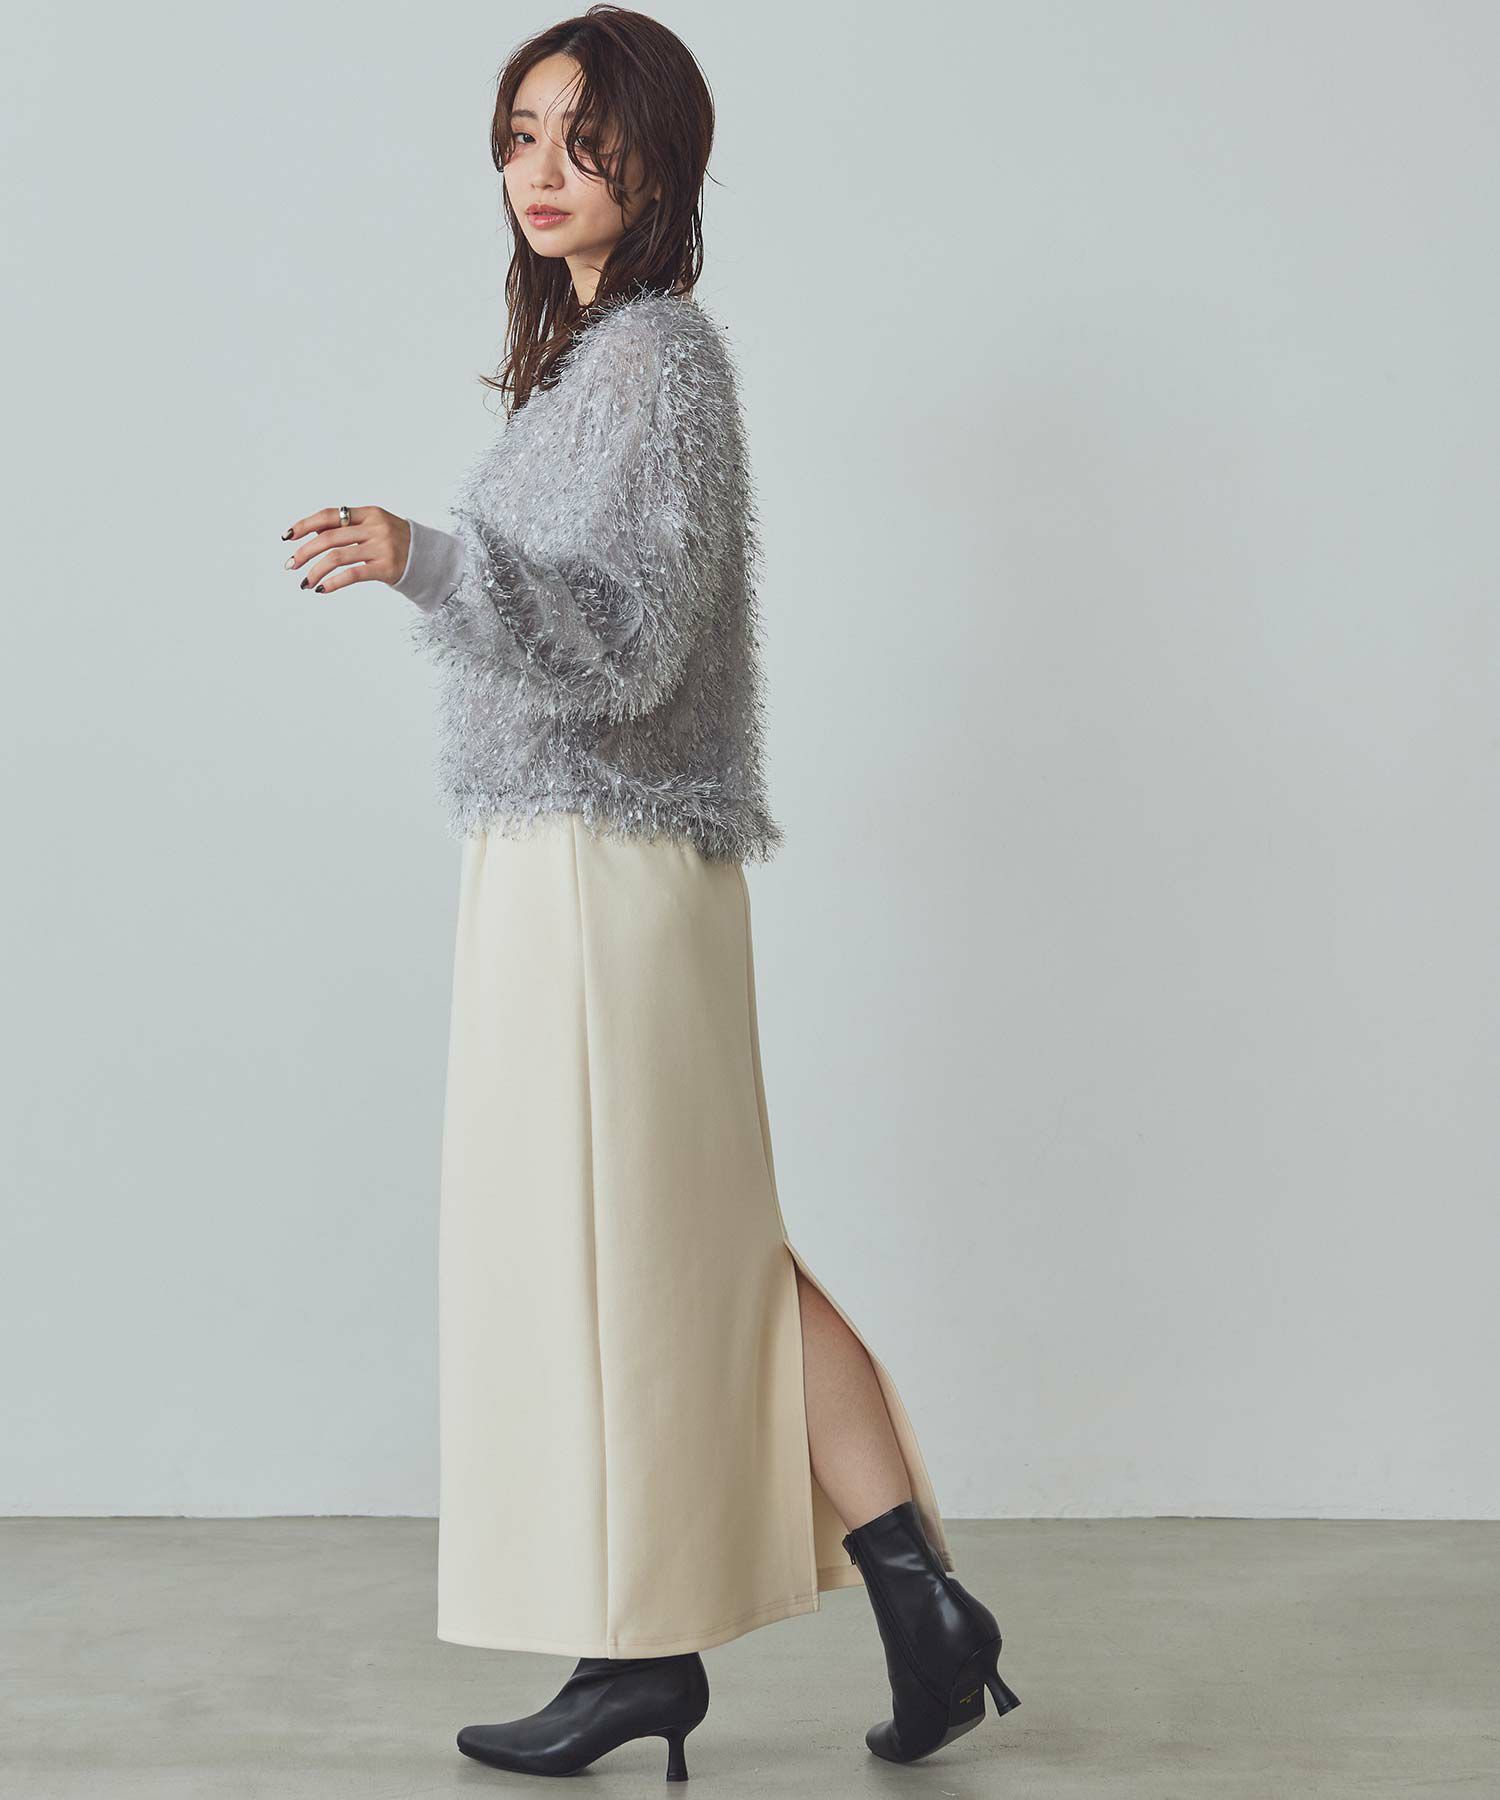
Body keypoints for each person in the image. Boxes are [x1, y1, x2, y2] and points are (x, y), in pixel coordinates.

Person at [279, 4, 1019, 1779]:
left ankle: (649, 1650)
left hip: (608, 864)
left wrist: (424, 558)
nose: (539, 170)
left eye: (580, 135)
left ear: (658, 159)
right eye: (518, 135)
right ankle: (896, 1608)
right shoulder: (588, 362)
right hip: (563, 854)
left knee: (632, 1251)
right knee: (684, 1251)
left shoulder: (660, 361)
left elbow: (635, 642)